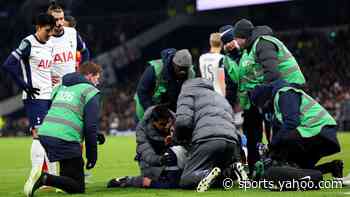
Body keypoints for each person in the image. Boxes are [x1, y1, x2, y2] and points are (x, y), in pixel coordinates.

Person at [220, 19, 307, 175]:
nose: (229, 45)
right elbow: (231, 87)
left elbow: (269, 72)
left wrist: (265, 96)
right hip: (252, 101)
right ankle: (257, 169)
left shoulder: (255, 47)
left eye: (231, 40)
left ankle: (281, 164)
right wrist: (227, 109)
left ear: (238, 38)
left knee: (277, 129)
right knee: (253, 135)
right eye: (225, 43)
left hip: (268, 96)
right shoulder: (230, 59)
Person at [23, 62, 102, 197]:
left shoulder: (61, 86)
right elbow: (90, 126)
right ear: (89, 76)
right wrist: (92, 156)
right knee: (78, 186)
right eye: (97, 78)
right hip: (66, 138)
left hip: (46, 134)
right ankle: (43, 178)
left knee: (69, 179)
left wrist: (96, 135)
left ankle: (58, 183)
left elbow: (64, 111)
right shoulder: (90, 91)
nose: (98, 82)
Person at [249, 79, 342, 176]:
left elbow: (291, 123)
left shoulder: (285, 93)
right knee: (298, 170)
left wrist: (272, 146)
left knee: (284, 143)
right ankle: (333, 167)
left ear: (265, 98)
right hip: (319, 132)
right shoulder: (279, 98)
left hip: (318, 131)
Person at [1, 13, 56, 175]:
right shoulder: (28, 43)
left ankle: (53, 176)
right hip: (35, 97)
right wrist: (25, 86)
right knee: (38, 134)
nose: (50, 34)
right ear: (38, 27)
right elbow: (8, 64)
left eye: (52, 31)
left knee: (51, 135)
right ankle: (36, 175)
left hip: (49, 95)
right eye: (48, 30)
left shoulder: (50, 43)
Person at [175, 78, 245, 192]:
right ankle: (233, 171)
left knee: (186, 179)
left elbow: (183, 122)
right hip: (231, 142)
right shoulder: (220, 98)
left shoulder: (187, 92)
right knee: (221, 178)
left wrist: (178, 140)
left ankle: (207, 174)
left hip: (208, 140)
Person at [107, 104, 187, 189]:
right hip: (151, 161)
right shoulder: (142, 130)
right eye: (162, 124)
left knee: (180, 179)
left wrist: (175, 140)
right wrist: (160, 159)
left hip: (173, 158)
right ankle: (128, 181)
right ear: (153, 122)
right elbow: (147, 154)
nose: (166, 127)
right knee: (159, 181)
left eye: (168, 122)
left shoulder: (178, 120)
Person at [134, 49, 195, 121]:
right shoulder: (155, 69)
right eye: (180, 68)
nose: (183, 72)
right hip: (146, 104)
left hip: (166, 103)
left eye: (185, 69)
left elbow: (187, 96)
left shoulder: (191, 74)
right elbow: (142, 91)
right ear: (173, 64)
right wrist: (152, 112)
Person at [47, 4, 90, 86]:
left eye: (61, 19)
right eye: (56, 20)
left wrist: (81, 72)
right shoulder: (43, 39)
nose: (59, 23)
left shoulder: (72, 33)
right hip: (54, 88)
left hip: (73, 85)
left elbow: (85, 52)